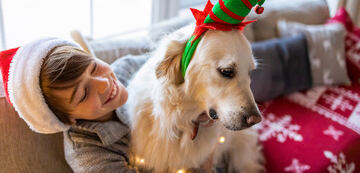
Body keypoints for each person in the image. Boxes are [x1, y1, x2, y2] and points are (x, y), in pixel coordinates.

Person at [0, 37, 215, 173]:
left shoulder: (127, 67)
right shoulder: (89, 157)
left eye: (93, 68)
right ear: (67, 119)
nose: (103, 84)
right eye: (83, 94)